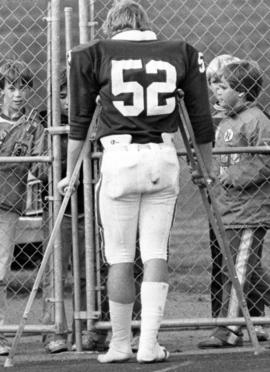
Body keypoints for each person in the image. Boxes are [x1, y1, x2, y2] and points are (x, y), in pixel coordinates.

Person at [58, 0, 213, 364]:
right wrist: (205, 168)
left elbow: (79, 121)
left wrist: (70, 171)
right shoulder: (182, 52)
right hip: (162, 156)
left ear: (111, 26)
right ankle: (149, 344)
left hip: (119, 158)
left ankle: (119, 343)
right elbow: (201, 118)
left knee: (120, 257)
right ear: (145, 23)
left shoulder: (93, 53)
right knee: (156, 251)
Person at [41, 67, 142, 353]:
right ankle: (54, 330)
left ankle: (90, 329)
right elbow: (40, 164)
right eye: (60, 96)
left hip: (92, 206)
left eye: (71, 96)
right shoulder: (47, 122)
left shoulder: (98, 122)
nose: (66, 102)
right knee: (55, 272)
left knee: (91, 272)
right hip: (60, 206)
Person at [198, 59, 270, 348]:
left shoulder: (257, 120)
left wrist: (229, 176)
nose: (217, 92)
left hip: (251, 211)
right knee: (246, 271)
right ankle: (238, 324)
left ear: (241, 92)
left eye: (224, 87)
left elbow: (265, 161)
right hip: (229, 210)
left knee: (240, 271)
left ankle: (229, 329)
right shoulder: (227, 121)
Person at [0, 59, 46, 355]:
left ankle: (1, 333)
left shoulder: (32, 126)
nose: (18, 94)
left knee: (0, 270)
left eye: (23, 87)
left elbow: (41, 166)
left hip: (7, 205)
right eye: (11, 88)